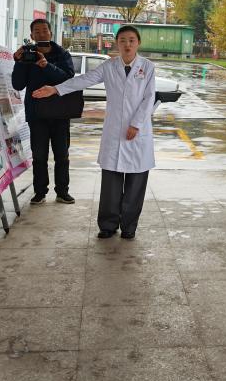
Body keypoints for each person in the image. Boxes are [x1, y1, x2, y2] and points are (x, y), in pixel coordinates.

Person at [33, 26, 156, 239]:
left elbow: (149, 98)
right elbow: (84, 79)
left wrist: (136, 124)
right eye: (123, 40)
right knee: (110, 184)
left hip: (138, 132)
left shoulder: (147, 67)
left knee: (135, 184)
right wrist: (56, 89)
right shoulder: (109, 66)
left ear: (138, 43)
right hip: (115, 131)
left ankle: (129, 227)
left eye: (132, 40)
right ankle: (108, 225)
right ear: (117, 43)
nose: (127, 44)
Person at [11, 18, 76, 204]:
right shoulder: (27, 56)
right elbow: (18, 84)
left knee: (62, 155)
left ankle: (62, 191)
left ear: (51, 33)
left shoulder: (62, 54)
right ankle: (40, 192)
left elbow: (68, 79)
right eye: (37, 31)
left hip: (60, 112)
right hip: (37, 114)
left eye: (44, 30)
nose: (41, 34)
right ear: (31, 35)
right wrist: (19, 62)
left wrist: (47, 65)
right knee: (39, 156)